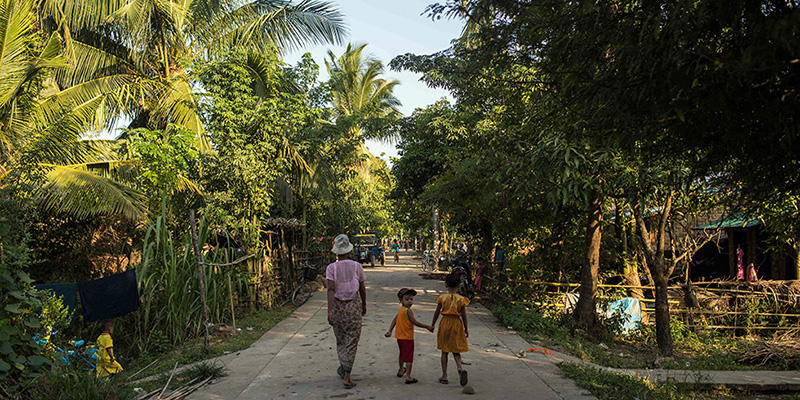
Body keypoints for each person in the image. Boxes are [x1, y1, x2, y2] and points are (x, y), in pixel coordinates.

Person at [326, 234, 367, 389]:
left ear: (336, 251)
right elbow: (362, 288)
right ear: (349, 250)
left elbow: (330, 290)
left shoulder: (331, 268)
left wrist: (329, 312)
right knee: (352, 339)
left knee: (341, 339)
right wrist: (364, 304)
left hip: (338, 307)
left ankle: (343, 368)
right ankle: (347, 375)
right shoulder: (357, 266)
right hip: (354, 306)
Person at [384, 288, 433, 384]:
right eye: (407, 299)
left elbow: (395, 320)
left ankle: (401, 369)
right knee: (409, 357)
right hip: (407, 338)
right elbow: (414, 322)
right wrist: (427, 326)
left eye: (411, 299)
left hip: (399, 337)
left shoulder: (401, 310)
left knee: (402, 354)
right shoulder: (408, 311)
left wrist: (390, 330)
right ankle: (408, 376)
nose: (410, 301)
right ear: (401, 300)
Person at [431, 274, 470, 387]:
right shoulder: (461, 300)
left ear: (445, 285)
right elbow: (464, 316)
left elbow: (437, 312)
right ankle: (459, 368)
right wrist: (466, 328)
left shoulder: (442, 298)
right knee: (456, 349)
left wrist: (432, 324)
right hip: (456, 324)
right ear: (459, 285)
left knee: (445, 350)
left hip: (445, 324)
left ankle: (444, 375)